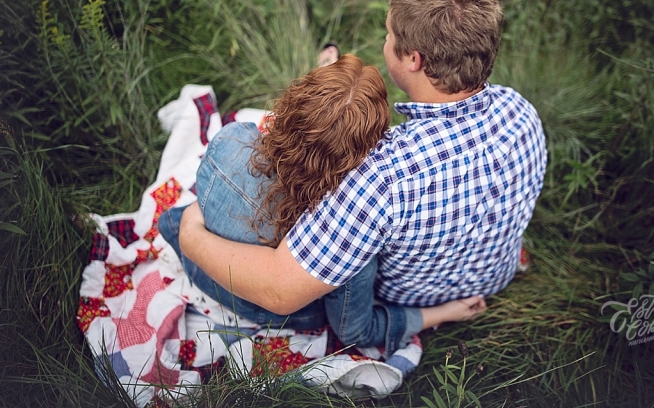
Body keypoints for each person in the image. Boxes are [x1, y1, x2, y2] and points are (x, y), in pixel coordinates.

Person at [176, 0, 547, 354]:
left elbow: (279, 290)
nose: (385, 41)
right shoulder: (520, 111)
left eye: (388, 34)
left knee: (211, 201)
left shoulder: (381, 176)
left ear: (414, 59)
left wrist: (191, 235)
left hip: (403, 300)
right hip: (490, 277)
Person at [160, 54, 485, 356]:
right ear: (364, 156)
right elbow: (355, 330)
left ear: (291, 106)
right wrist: (445, 312)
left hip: (204, 266)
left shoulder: (231, 137)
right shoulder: (341, 231)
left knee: (174, 220)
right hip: (263, 309)